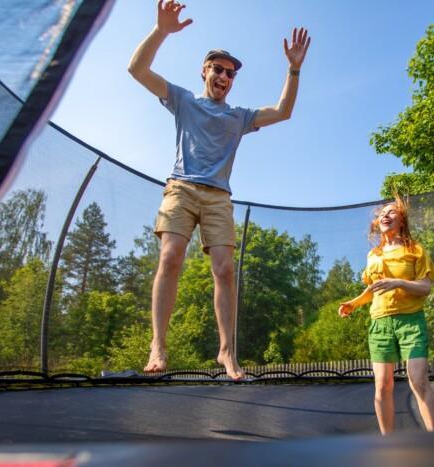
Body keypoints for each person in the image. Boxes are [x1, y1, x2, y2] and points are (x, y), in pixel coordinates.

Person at [128, 0, 310, 379]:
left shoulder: (238, 116)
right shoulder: (184, 100)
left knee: (225, 269)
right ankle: (158, 346)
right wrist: (161, 31)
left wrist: (293, 69)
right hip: (181, 187)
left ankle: (226, 352)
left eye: (230, 73)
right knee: (171, 256)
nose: (225, 77)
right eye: (218, 69)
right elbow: (137, 69)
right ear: (204, 72)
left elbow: (283, 111)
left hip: (218, 197)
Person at [338, 195, 434, 434]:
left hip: (410, 322)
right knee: (382, 386)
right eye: (382, 212)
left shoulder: (415, 250)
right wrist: (354, 303)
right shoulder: (373, 254)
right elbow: (374, 288)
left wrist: (399, 282)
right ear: (377, 223)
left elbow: (425, 287)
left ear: (402, 221)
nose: (385, 214)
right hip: (380, 324)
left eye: (392, 211)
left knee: (418, 381)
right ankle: (389, 444)